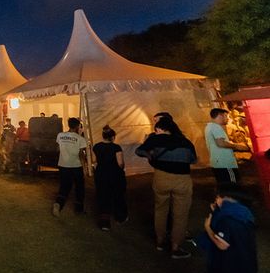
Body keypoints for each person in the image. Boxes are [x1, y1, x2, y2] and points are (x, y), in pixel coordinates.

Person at [135, 116, 197, 259]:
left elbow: (139, 151)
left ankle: (160, 241)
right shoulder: (185, 141)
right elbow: (193, 159)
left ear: (160, 129)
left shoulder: (155, 139)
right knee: (181, 214)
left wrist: (151, 156)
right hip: (182, 179)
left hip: (161, 177)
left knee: (160, 209)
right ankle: (175, 247)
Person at [199, 184, 257, 273]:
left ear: (227, 198)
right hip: (247, 265)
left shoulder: (226, 220)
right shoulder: (244, 214)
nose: (216, 200)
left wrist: (207, 227)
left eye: (218, 197)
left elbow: (222, 244)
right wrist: (217, 212)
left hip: (228, 267)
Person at [92, 125, 128, 231]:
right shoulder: (116, 147)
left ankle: (105, 222)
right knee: (117, 195)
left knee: (103, 196)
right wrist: (122, 168)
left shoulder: (96, 146)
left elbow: (94, 160)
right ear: (112, 137)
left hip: (101, 174)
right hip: (114, 174)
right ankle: (120, 217)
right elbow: (120, 163)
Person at [52, 118, 87, 217]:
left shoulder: (60, 135)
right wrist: (84, 167)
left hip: (63, 165)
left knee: (64, 186)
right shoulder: (80, 139)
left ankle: (58, 204)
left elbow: (58, 148)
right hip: (76, 165)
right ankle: (79, 209)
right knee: (79, 187)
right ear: (77, 126)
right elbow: (81, 154)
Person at [206, 108, 249, 184]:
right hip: (225, 163)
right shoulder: (216, 127)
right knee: (233, 184)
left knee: (225, 185)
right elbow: (220, 143)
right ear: (220, 116)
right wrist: (237, 146)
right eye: (226, 116)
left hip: (218, 163)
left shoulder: (209, 126)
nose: (228, 119)